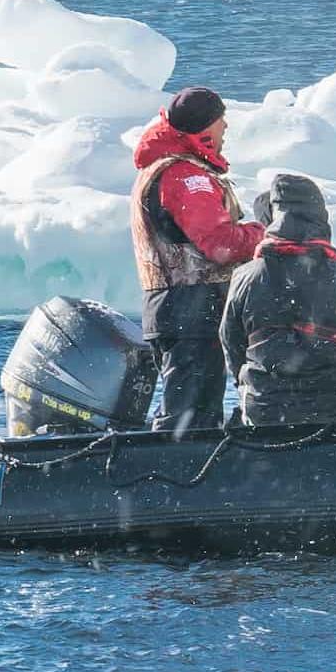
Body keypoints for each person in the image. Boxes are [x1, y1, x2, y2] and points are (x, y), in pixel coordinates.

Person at [129, 86, 261, 434]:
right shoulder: (185, 177)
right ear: (204, 128)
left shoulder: (165, 168)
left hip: (178, 308)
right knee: (189, 417)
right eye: (220, 121)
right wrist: (262, 234)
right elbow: (219, 244)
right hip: (191, 309)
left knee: (193, 410)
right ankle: (173, 475)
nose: (226, 129)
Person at [220, 172, 336, 426]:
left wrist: (249, 382)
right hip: (334, 408)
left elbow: (231, 341)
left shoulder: (245, 276)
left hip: (263, 407)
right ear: (319, 214)